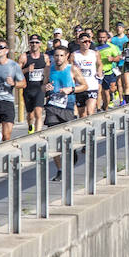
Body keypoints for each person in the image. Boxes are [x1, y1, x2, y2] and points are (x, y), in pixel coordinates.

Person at [44, 47, 87, 180]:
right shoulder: (48, 69)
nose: (58, 58)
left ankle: (72, 150)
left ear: (67, 56)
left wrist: (71, 89)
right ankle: (60, 170)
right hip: (52, 106)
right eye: (56, 56)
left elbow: (84, 86)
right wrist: (45, 88)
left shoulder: (72, 69)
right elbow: (43, 85)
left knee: (67, 138)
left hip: (67, 107)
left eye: (61, 55)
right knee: (53, 139)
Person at [18, 34, 50, 133]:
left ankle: (37, 134)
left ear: (40, 44)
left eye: (36, 42)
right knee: (30, 114)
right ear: (29, 44)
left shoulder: (44, 57)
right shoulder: (24, 57)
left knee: (38, 112)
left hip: (39, 89)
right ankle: (30, 126)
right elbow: (16, 72)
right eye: (32, 42)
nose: (34, 44)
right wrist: (27, 70)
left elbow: (48, 72)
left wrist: (47, 83)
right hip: (28, 89)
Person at [72, 33, 101, 116]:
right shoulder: (74, 55)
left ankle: (92, 128)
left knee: (90, 111)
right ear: (79, 42)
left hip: (92, 86)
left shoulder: (95, 53)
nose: (87, 43)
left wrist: (99, 71)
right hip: (80, 86)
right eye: (84, 42)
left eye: (89, 41)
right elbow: (69, 68)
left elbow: (99, 64)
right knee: (82, 114)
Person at [96, 29, 122, 110]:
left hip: (108, 72)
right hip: (97, 73)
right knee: (98, 91)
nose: (102, 39)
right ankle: (98, 108)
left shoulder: (112, 47)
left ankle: (106, 107)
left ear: (107, 37)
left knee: (107, 92)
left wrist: (113, 59)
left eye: (103, 37)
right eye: (100, 37)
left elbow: (118, 58)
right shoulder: (94, 47)